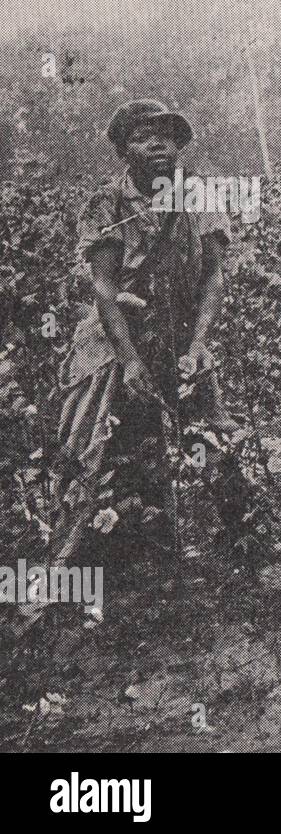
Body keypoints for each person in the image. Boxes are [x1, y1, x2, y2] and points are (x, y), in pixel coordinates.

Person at [12, 99, 246, 639]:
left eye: (167, 136)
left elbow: (214, 276)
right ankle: (60, 578)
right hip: (116, 338)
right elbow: (103, 290)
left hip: (179, 333)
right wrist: (132, 361)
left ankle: (240, 547)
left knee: (212, 435)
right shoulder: (106, 203)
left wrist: (199, 344)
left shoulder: (199, 195)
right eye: (144, 137)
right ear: (124, 149)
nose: (159, 146)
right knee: (94, 447)